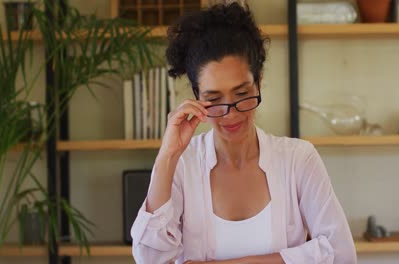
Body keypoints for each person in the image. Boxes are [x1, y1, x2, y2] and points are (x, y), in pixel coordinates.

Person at [131, 3, 356, 264]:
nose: (231, 113)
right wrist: (167, 156)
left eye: (242, 94)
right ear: (196, 98)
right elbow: (149, 259)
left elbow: (342, 254)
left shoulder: (298, 159)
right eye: (214, 99)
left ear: (258, 81)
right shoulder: (183, 164)